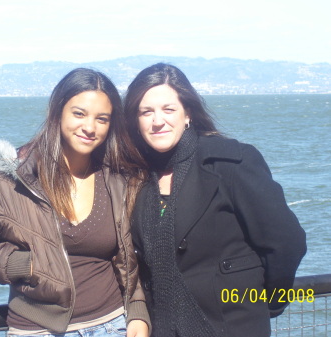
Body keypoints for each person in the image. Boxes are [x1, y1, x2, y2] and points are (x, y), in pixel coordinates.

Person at [0, 68, 150, 337]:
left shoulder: (117, 177)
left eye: (102, 119)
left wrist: (137, 311)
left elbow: (127, 254)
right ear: (58, 111)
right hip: (38, 330)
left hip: (113, 324)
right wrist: (19, 264)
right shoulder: (15, 177)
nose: (90, 127)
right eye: (79, 113)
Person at [123, 63, 306, 337]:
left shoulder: (231, 162)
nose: (157, 120)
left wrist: (265, 305)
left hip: (231, 327)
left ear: (188, 114)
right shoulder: (135, 176)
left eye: (168, 109)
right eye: (146, 112)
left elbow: (286, 243)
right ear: (135, 121)